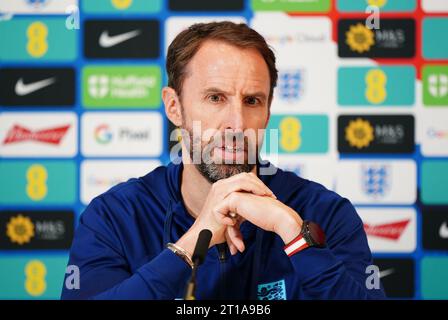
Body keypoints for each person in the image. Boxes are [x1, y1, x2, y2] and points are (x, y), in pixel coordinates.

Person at [61, 21, 385, 300]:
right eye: (215, 98)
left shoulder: (325, 213)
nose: (237, 124)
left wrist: (293, 232)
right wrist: (191, 242)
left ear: (268, 111)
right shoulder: (115, 217)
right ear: (174, 106)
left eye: (252, 101)